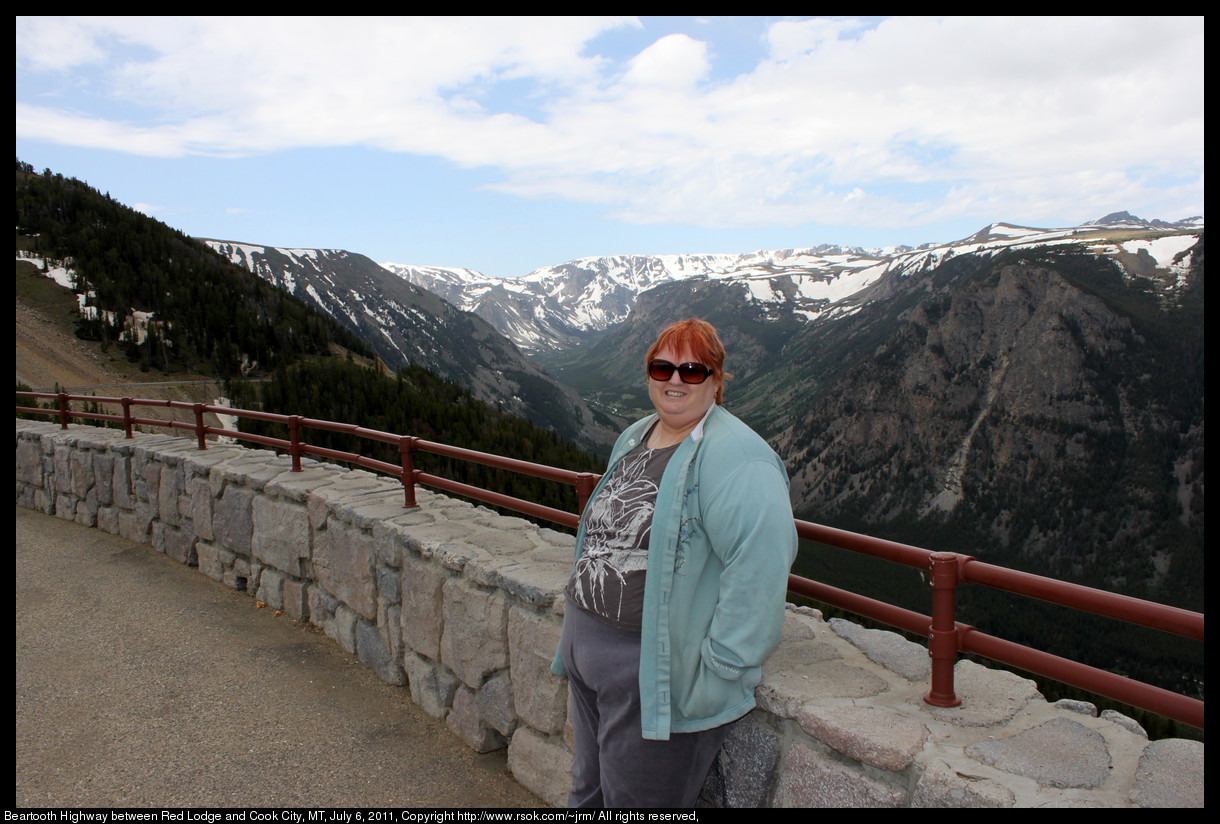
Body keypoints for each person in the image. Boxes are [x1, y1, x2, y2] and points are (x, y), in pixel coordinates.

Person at [552, 318, 798, 808]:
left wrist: (721, 669)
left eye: (692, 369)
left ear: (716, 378)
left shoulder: (740, 459)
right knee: (587, 793)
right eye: (663, 367)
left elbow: (761, 565)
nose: (675, 380)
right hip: (591, 655)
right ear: (647, 373)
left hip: (652, 675)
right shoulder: (636, 435)